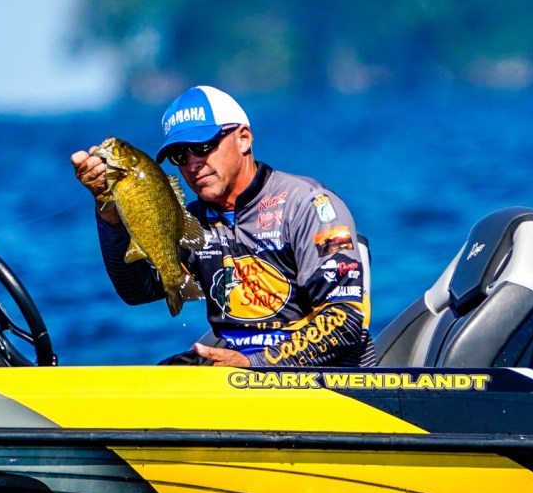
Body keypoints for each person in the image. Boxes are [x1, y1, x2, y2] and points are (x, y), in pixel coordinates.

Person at [70, 85, 375, 367]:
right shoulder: (191, 223)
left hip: (330, 388)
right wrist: (109, 213)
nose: (192, 164)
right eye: (179, 155)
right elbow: (138, 291)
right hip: (239, 380)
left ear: (243, 138)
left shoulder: (308, 206)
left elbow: (345, 321)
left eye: (203, 146)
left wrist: (255, 364)